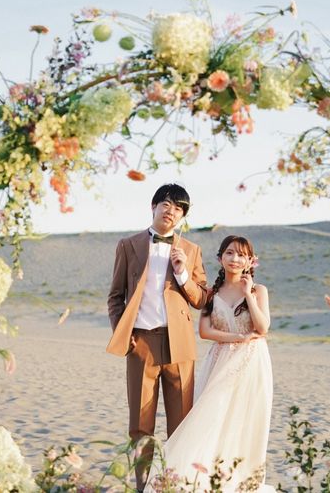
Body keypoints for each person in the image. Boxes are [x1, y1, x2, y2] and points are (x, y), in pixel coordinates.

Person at [147, 235, 274, 492]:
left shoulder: (259, 291)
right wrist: (237, 338)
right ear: (220, 258)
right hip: (220, 360)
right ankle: (195, 478)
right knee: (210, 415)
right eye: (230, 253)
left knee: (245, 420)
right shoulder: (213, 293)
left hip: (253, 362)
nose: (235, 259)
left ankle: (238, 482)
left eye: (242, 255)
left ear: (251, 261)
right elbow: (204, 331)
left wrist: (248, 294)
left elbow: (263, 327)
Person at [106, 184, 208, 491]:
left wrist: (183, 273)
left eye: (179, 208)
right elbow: (115, 297)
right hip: (141, 344)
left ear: (182, 216)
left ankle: (176, 485)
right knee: (140, 425)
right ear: (153, 207)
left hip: (180, 346)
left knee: (181, 423)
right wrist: (123, 333)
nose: (171, 211)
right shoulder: (128, 245)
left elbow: (202, 299)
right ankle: (143, 486)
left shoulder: (191, 250)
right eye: (166, 204)